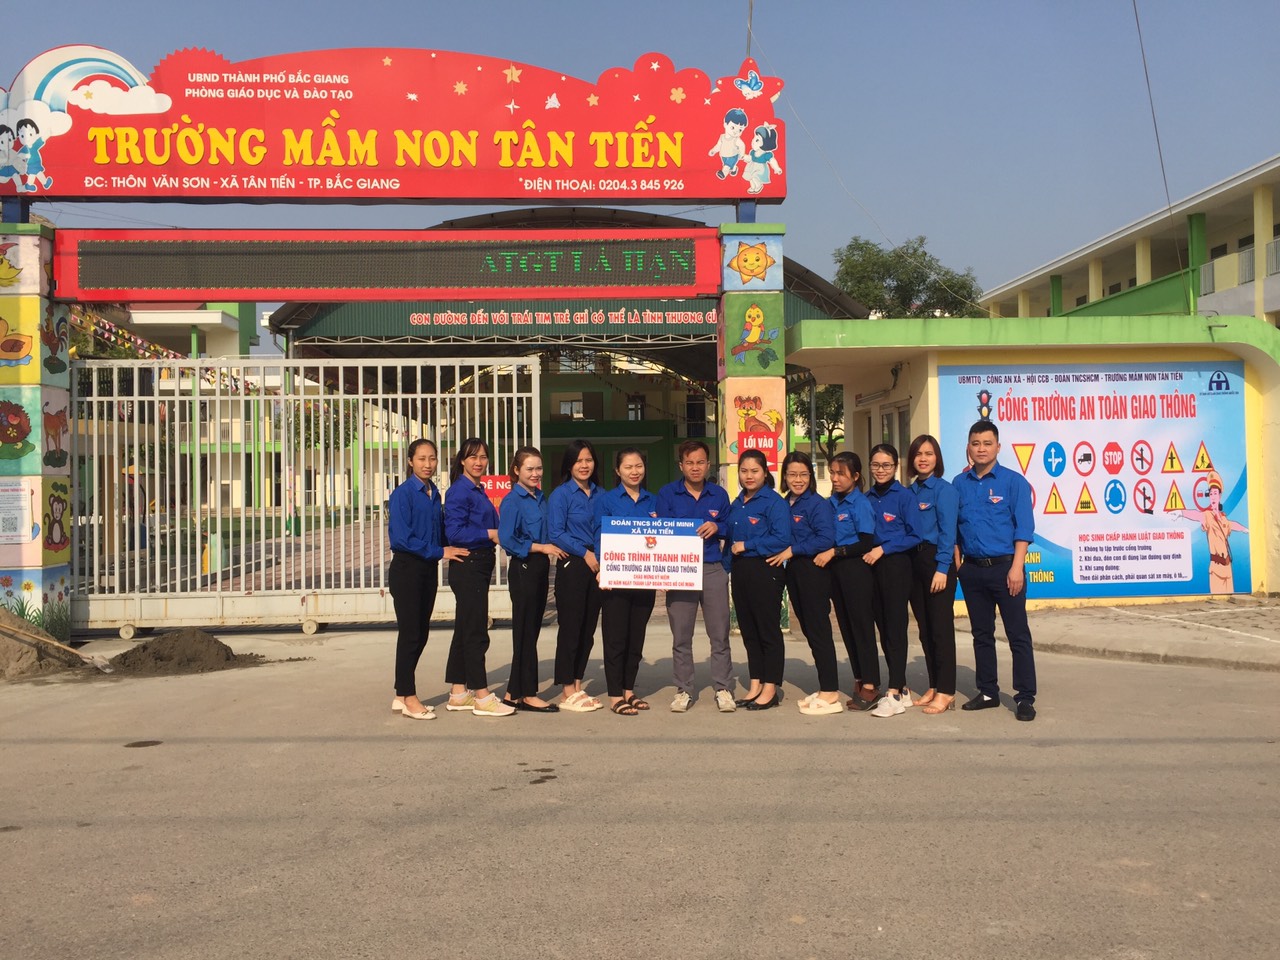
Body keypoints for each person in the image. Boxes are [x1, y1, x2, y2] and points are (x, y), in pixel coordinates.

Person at [953, 420, 1038, 721]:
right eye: (976, 443)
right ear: (968, 447)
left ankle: (1025, 697)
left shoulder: (1014, 482)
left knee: (1017, 634)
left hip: (1006, 569)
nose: (981, 449)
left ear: (998, 447)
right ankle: (988, 691)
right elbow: (953, 528)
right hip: (973, 571)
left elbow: (1024, 529)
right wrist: (959, 565)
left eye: (987, 444)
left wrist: (1017, 568)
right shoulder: (959, 484)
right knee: (981, 634)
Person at [387, 439, 468, 720]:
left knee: (420, 633)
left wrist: (455, 544)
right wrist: (440, 551)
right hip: (407, 570)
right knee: (411, 634)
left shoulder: (434, 493)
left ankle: (401, 694)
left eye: (432, 458)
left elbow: (439, 532)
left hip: (427, 570)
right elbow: (401, 538)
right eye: (421, 459)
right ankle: (409, 696)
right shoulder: (403, 494)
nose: (428, 464)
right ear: (410, 461)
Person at [656, 440, 736, 713]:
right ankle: (683, 689)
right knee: (681, 636)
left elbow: (730, 527)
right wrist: (664, 575)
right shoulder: (667, 494)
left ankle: (723, 688)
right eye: (689, 462)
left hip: (712, 569)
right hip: (680, 571)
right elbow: (661, 534)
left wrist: (717, 527)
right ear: (681, 465)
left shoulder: (719, 495)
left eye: (700, 462)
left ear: (708, 465)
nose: (695, 467)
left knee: (720, 634)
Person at [442, 437, 514, 717]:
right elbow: (454, 532)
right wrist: (489, 534)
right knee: (475, 632)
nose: (479, 462)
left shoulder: (477, 489)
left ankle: (459, 692)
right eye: (473, 457)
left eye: (483, 457)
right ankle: (482, 695)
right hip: (469, 565)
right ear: (462, 460)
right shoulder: (459, 491)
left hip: (478, 565)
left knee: (465, 629)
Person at [497, 446, 568, 713]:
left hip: (539, 567)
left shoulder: (540, 497)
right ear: (516, 470)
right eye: (530, 469)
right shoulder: (512, 500)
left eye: (539, 468)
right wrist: (541, 547)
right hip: (524, 567)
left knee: (531, 631)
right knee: (525, 632)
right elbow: (507, 539)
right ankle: (528, 694)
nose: (536, 473)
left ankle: (513, 693)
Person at [775, 451, 842, 717]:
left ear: (811, 476)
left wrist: (794, 549)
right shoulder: (784, 503)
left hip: (813, 571)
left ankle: (831, 690)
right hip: (794, 572)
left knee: (819, 630)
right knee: (808, 629)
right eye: (792, 474)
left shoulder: (816, 504)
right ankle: (825, 686)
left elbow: (826, 538)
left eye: (803, 474)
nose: (798, 480)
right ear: (784, 476)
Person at [593, 447, 659, 716]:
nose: (634, 471)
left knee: (636, 639)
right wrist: (604, 569)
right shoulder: (606, 500)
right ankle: (614, 695)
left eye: (639, 466)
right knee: (615, 639)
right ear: (617, 471)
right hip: (617, 579)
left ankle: (629, 690)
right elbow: (600, 536)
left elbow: (663, 538)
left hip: (645, 580)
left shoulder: (653, 501)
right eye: (628, 467)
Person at [724, 449, 791, 710]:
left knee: (767, 631)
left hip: (765, 570)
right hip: (741, 571)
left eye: (754, 471)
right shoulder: (737, 502)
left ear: (765, 472)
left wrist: (748, 545)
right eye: (744, 471)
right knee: (749, 630)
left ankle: (770, 688)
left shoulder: (774, 503)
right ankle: (755, 685)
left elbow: (782, 538)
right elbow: (729, 536)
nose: (748, 476)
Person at [814, 451, 881, 711]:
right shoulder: (830, 502)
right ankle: (859, 678)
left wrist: (835, 552)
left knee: (862, 628)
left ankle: (871, 685)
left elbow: (865, 543)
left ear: (855, 476)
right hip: (835, 572)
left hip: (855, 570)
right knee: (847, 628)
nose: (835, 478)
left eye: (841, 474)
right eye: (832, 472)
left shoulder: (860, 503)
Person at [864, 443, 922, 718]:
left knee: (896, 628)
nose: (881, 470)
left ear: (896, 467)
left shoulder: (905, 497)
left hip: (896, 566)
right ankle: (903, 686)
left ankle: (894, 692)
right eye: (876, 465)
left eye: (886, 465)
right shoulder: (866, 497)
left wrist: (884, 549)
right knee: (883, 628)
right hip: (871, 567)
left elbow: (915, 535)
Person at [547, 440, 605, 713]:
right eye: (578, 460)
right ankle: (566, 689)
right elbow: (556, 532)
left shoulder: (602, 494)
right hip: (574, 564)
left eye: (588, 460)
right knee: (571, 628)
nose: (584, 465)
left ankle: (578, 685)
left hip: (598, 565)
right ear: (569, 465)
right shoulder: (561, 495)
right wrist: (585, 553)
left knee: (588, 629)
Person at [906, 434, 959, 714]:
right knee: (925, 629)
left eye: (929, 453)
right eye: (918, 454)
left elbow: (948, 532)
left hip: (936, 560)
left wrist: (942, 568)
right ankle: (934, 684)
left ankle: (947, 691)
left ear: (937, 458)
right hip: (914, 561)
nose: (923, 459)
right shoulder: (910, 491)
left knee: (940, 628)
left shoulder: (944, 490)